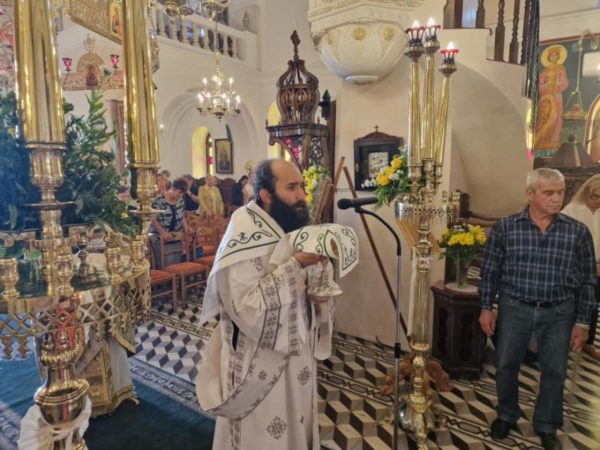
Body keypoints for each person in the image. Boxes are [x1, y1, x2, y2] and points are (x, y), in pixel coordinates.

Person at [196, 160, 335, 449]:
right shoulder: (243, 233)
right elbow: (245, 306)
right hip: (257, 357)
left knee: (295, 418)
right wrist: (295, 266)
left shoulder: (288, 223)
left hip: (297, 348)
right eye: (292, 187)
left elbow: (305, 286)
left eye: (302, 186)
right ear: (266, 194)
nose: (302, 195)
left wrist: (319, 273)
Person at [479, 168, 596, 450]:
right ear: (530, 194)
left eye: (560, 192)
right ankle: (506, 414)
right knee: (506, 365)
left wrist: (583, 322)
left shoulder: (578, 232)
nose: (557, 199)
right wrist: (486, 307)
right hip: (515, 308)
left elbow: (588, 280)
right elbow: (490, 271)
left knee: (555, 371)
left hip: (559, 312)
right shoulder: (507, 228)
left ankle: (546, 425)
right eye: (548, 193)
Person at [561, 174, 600, 360]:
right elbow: (563, 242)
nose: (598, 201)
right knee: (571, 304)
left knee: (592, 303)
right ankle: (565, 338)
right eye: (595, 196)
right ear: (586, 193)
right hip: (574, 266)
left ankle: (588, 342)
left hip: (597, 266)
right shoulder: (572, 210)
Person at [534, 45, 569, 151]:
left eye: (555, 55)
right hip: (546, 97)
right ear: (549, 57)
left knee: (556, 116)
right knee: (544, 117)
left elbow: (564, 82)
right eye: (552, 55)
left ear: (558, 57)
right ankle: (542, 139)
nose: (553, 57)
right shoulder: (545, 70)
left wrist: (557, 85)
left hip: (557, 95)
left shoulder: (561, 69)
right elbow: (539, 84)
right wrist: (546, 86)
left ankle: (554, 139)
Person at [150, 177, 190, 268]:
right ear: (173, 189)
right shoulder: (159, 200)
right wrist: (163, 232)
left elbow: (181, 215)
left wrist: (186, 228)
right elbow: (152, 219)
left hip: (176, 237)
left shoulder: (180, 200)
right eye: (179, 192)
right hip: (161, 239)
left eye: (183, 193)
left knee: (178, 266)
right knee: (166, 265)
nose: (181, 195)